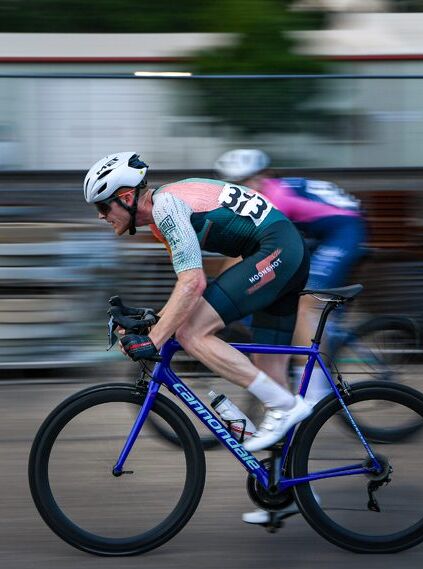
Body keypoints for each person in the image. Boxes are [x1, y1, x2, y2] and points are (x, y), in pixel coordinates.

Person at [83, 152, 314, 523]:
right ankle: (290, 490)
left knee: (192, 333)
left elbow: (194, 283)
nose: (100, 216)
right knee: (269, 375)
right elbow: (185, 288)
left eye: (102, 206)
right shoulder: (163, 216)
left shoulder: (166, 208)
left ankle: (287, 408)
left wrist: (155, 339)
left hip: (277, 251)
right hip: (280, 250)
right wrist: (152, 323)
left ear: (125, 198)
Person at [214, 149, 367, 403]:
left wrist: (216, 292)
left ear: (263, 176)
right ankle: (309, 347)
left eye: (245, 182)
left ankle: (316, 395)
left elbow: (241, 257)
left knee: (304, 305)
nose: (241, 189)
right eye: (234, 185)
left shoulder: (274, 197)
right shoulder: (265, 194)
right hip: (319, 233)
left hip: (344, 230)